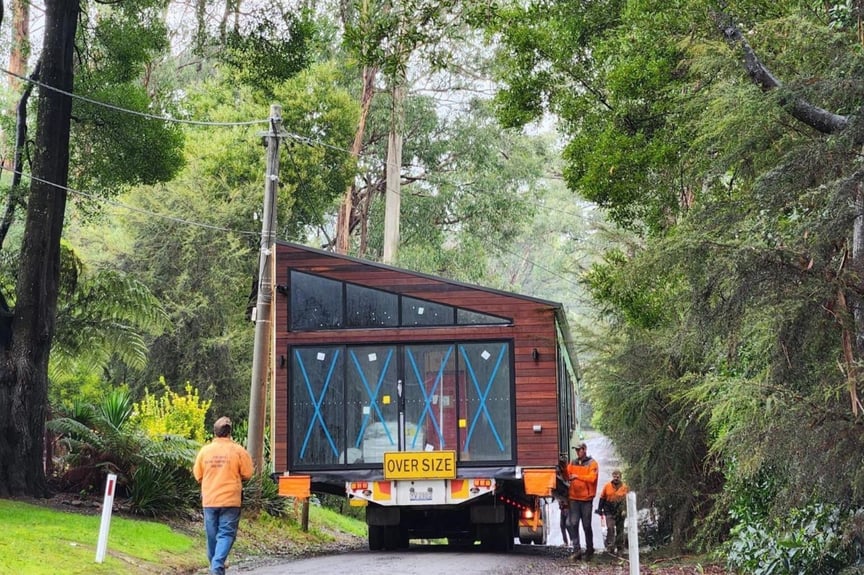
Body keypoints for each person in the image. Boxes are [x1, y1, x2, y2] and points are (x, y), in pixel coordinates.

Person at [193, 416, 254, 575]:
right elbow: (248, 473)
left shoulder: (205, 451)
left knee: (212, 535)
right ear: (229, 433)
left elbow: (197, 474)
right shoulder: (238, 451)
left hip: (210, 499)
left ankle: (215, 565)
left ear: (214, 432)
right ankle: (217, 565)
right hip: (231, 500)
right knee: (226, 534)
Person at [566, 441, 599, 560]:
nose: (577, 452)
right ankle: (577, 550)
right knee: (573, 524)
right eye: (576, 450)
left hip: (586, 499)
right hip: (574, 498)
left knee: (586, 525)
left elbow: (592, 478)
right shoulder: (573, 463)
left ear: (584, 449)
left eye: (579, 449)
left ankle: (590, 549)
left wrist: (577, 476)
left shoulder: (592, 464)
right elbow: (567, 474)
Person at [599, 469, 629, 554]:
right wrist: (599, 509)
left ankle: (620, 547)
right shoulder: (607, 486)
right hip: (609, 510)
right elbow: (602, 498)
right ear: (612, 476)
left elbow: (627, 500)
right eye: (614, 476)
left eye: (618, 476)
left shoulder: (625, 487)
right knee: (610, 527)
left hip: (620, 510)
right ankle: (610, 545)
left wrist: (624, 510)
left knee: (620, 529)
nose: (616, 478)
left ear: (620, 477)